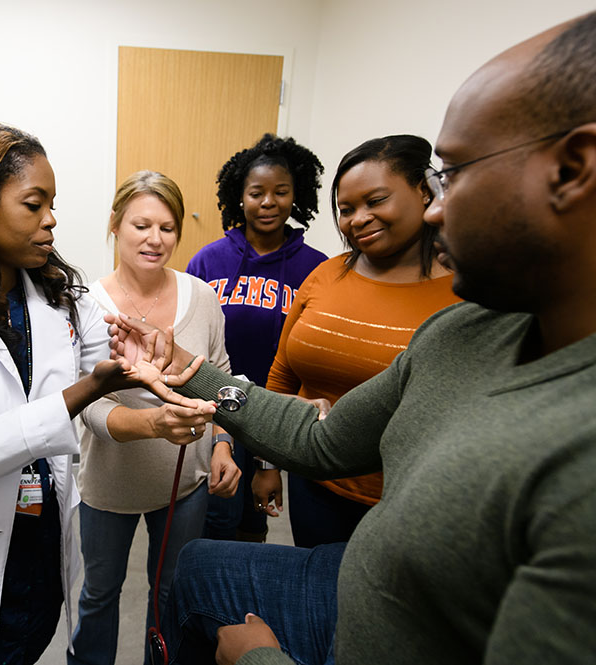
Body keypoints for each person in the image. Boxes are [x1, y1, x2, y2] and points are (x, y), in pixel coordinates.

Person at [110, 9, 596, 663]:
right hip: (368, 576)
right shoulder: (464, 331)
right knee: (198, 566)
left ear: (573, 169)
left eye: (452, 174)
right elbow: (319, 437)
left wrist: (259, 658)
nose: (433, 208)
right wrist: (186, 367)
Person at [0, 125, 210, 665]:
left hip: (38, 531)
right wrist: (90, 387)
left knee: (28, 639)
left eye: (52, 204)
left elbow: (111, 364)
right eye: (34, 204)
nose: (50, 219)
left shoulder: (61, 297)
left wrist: (149, 361)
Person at [70, 171, 239, 665]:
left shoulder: (202, 297)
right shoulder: (85, 305)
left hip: (185, 480)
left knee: (170, 595)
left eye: (167, 228)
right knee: (100, 594)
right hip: (109, 483)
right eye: (141, 225)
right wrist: (153, 425)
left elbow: (223, 376)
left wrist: (224, 443)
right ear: (116, 225)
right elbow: (92, 407)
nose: (154, 239)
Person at [266, 134, 460, 547]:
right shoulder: (325, 275)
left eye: (376, 201)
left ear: (426, 192)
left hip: (407, 500)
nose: (358, 219)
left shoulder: (464, 290)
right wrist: (267, 463)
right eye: (346, 209)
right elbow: (282, 373)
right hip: (314, 485)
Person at [187, 135, 326, 541]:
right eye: (257, 193)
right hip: (215, 413)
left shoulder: (314, 269)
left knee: (253, 523)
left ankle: (240, 603)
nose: (268, 202)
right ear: (239, 197)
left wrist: (269, 465)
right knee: (217, 521)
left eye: (280, 192)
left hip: (272, 417)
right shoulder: (209, 261)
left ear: (295, 196)